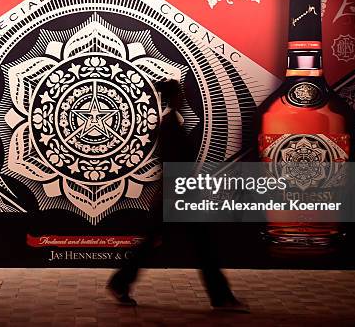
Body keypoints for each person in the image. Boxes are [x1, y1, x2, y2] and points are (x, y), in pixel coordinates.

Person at [107, 79, 249, 312]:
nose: (183, 97)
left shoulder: (170, 123)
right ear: (174, 97)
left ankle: (120, 283)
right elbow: (173, 164)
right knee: (203, 247)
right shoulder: (171, 126)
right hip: (177, 197)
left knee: (171, 245)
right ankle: (221, 297)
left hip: (175, 196)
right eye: (180, 94)